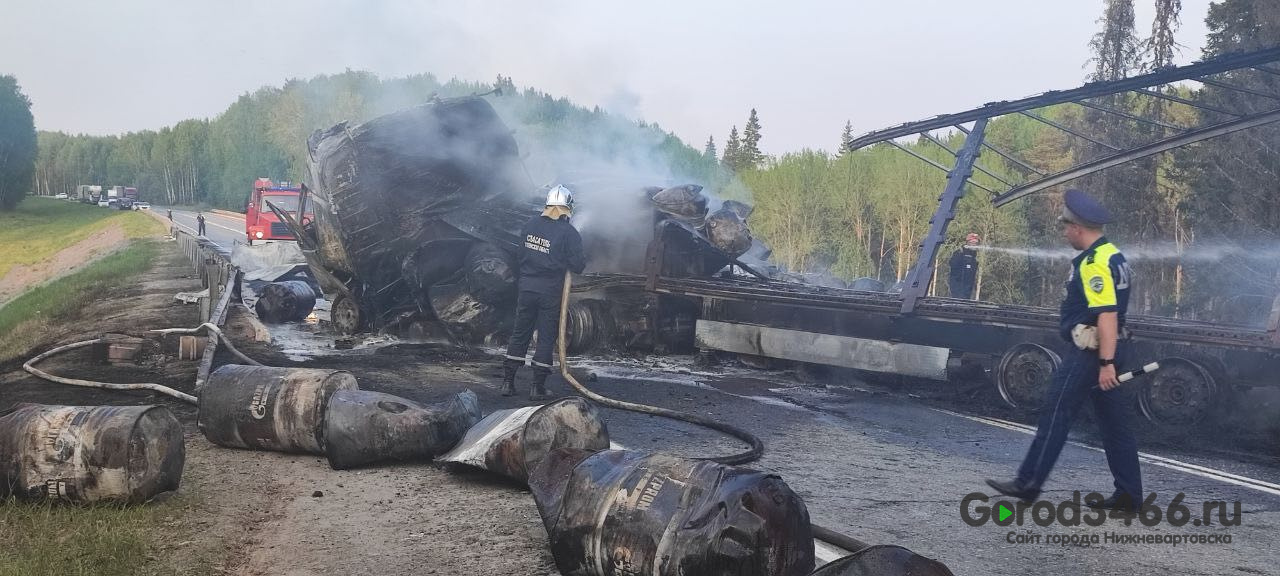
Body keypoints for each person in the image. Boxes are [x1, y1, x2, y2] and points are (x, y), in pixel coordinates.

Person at [986, 188, 1140, 512]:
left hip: (1090, 353)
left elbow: (1107, 314)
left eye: (1066, 227)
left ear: (1077, 228)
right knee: (1115, 425)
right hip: (1112, 348)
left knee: (1056, 414)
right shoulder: (1114, 253)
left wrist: (1106, 363)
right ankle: (1129, 494)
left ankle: (1028, 482)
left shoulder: (1095, 262)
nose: (1064, 232)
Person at [501, 185, 586, 400]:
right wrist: (563, 258)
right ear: (568, 208)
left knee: (520, 332)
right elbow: (578, 265)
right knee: (546, 335)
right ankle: (537, 387)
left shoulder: (530, 224)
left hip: (527, 287)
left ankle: (507, 383)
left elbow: (519, 253)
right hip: (549, 291)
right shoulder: (569, 232)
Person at [947, 233, 980, 299]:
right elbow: (952, 265)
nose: (974, 244)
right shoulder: (959, 253)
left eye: (976, 243)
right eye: (973, 242)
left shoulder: (975, 256)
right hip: (958, 289)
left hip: (968, 290)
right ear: (967, 242)